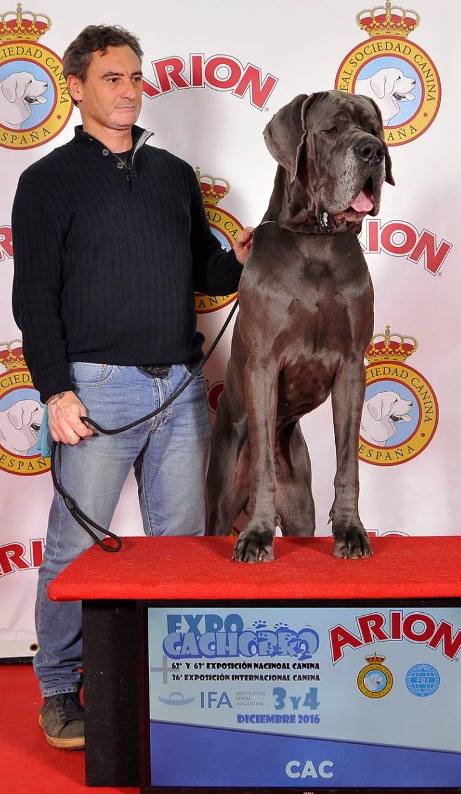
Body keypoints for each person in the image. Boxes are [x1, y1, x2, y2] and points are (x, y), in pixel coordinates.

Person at [11, 24, 253, 750]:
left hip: (179, 387)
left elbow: (208, 277)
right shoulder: (47, 181)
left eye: (135, 77)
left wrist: (247, 252)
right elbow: (34, 299)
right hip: (96, 386)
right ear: (77, 87)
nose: (128, 90)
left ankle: (169, 690)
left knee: (178, 548)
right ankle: (59, 687)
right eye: (112, 78)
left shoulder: (174, 174)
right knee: (72, 549)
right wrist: (56, 389)